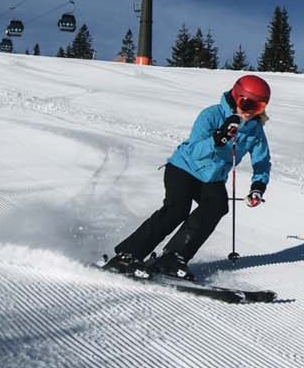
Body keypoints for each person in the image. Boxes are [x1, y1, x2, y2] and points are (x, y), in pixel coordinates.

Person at [106, 73, 273, 280]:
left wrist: (258, 186)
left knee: (217, 206)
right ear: (235, 96)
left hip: (212, 178)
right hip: (183, 168)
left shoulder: (255, 131)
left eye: (257, 108)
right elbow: (194, 150)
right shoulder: (211, 115)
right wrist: (217, 139)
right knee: (177, 209)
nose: (249, 112)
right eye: (246, 103)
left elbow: (262, 161)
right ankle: (128, 255)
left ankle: (174, 257)